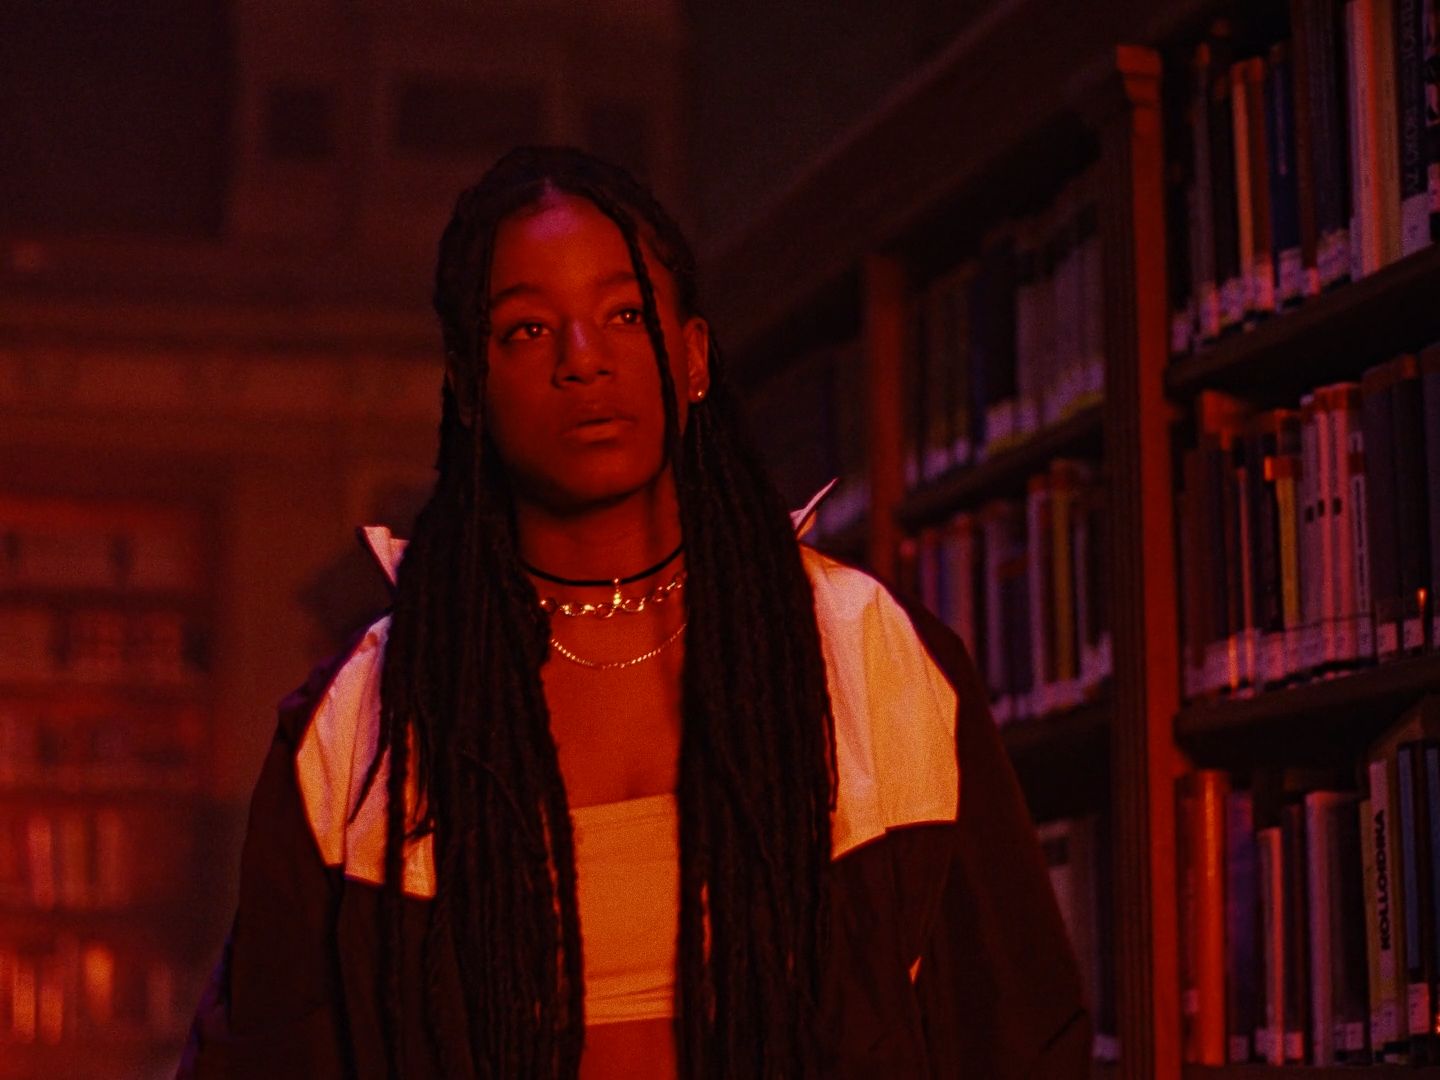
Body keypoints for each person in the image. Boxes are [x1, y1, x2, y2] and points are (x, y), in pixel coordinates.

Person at [177, 146, 1089, 1079]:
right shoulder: (360, 726)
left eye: (624, 314)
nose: (584, 360)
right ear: (469, 388)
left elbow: (1016, 1028)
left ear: (692, 357)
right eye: (529, 330)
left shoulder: (872, 658)